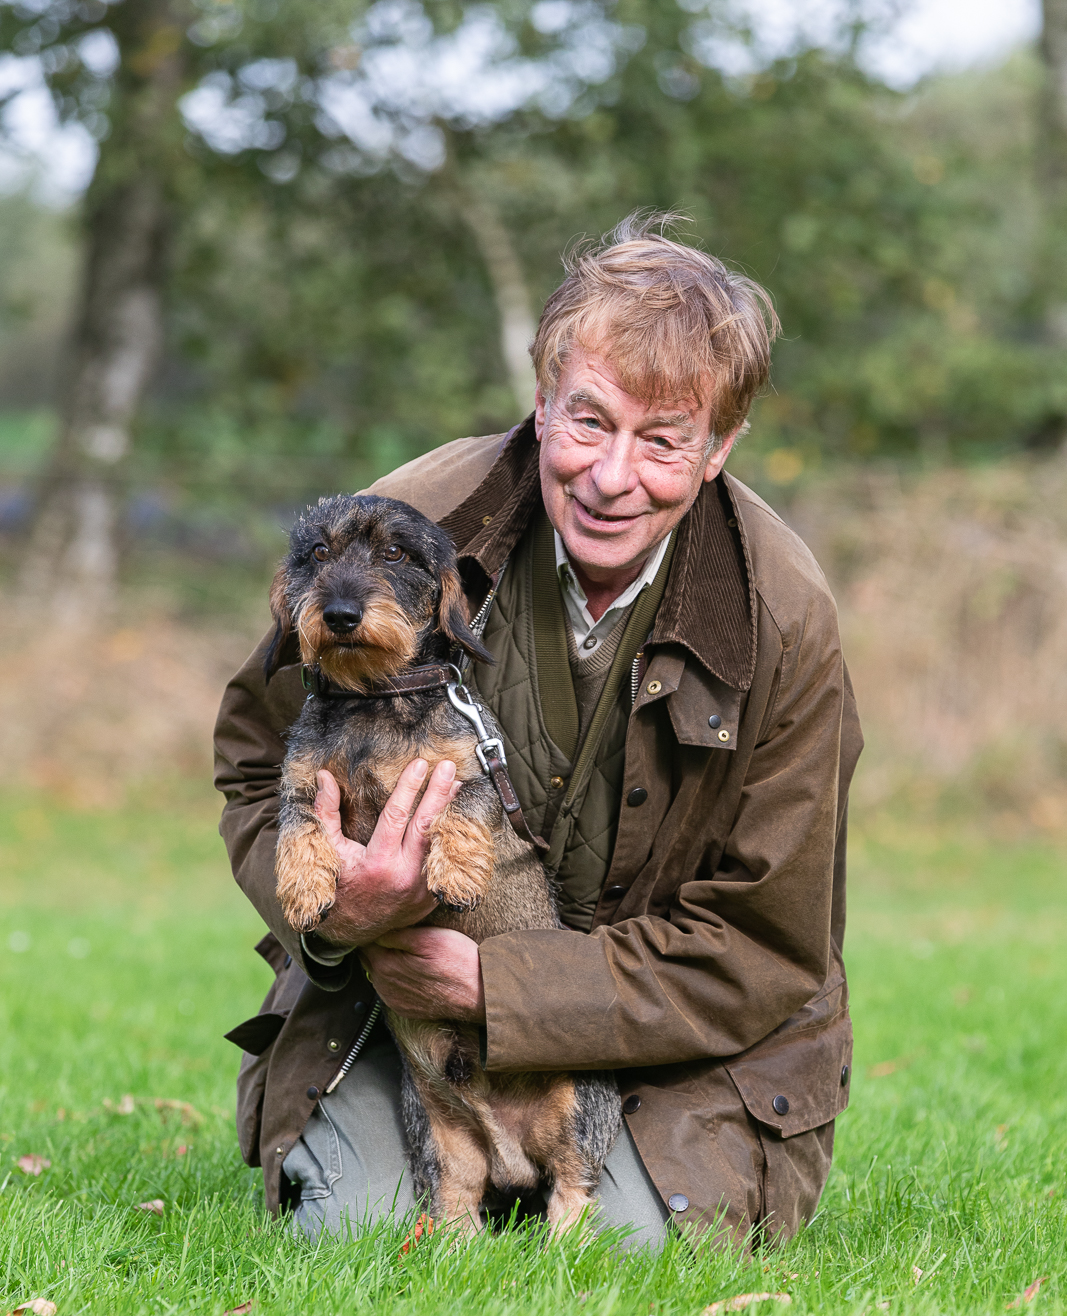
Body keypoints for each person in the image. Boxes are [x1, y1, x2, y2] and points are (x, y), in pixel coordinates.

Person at [213, 214, 862, 1251]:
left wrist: (500, 987)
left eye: (662, 441)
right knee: (356, 1237)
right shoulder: (399, 527)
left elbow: (762, 941)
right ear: (541, 397)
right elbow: (254, 763)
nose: (611, 477)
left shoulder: (780, 611)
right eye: (587, 421)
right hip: (404, 1022)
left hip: (677, 1048)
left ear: (718, 447)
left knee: (627, 1252)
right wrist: (337, 911)